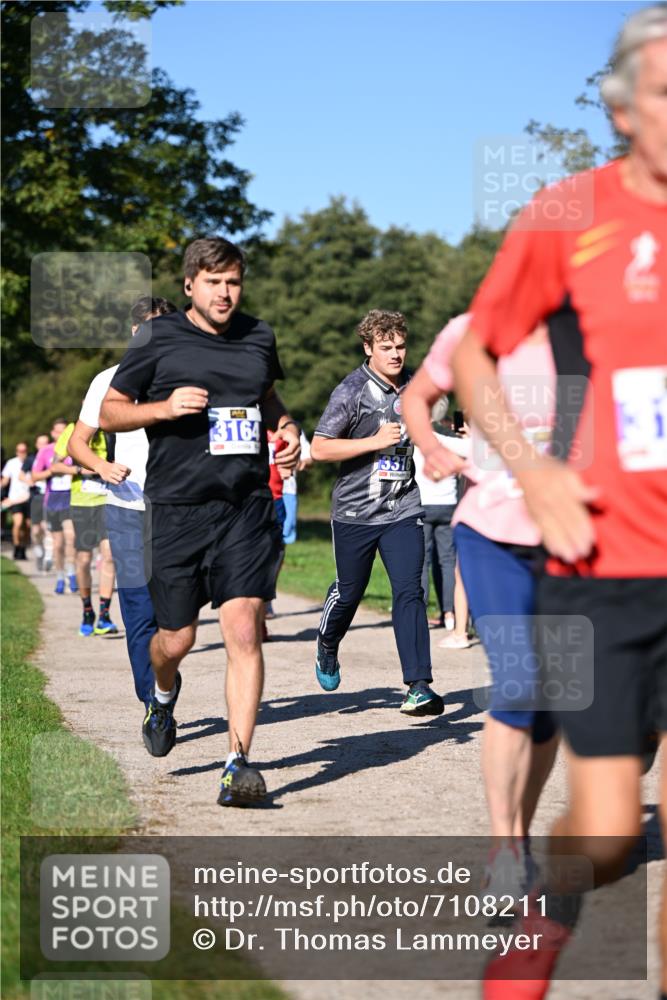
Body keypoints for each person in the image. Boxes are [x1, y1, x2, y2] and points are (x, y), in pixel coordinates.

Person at [445, 8, 667, 997]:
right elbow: (472, 350)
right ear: (622, 110)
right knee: (611, 832)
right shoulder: (566, 214)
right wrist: (530, 471)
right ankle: (544, 913)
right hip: (607, 563)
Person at [99, 236, 300, 807]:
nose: (225, 293)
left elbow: (269, 400)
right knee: (176, 639)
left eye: (233, 281)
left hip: (245, 506)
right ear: (190, 285)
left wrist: (286, 433)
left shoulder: (259, 336)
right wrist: (161, 409)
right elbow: (112, 410)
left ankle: (237, 762)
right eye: (213, 282)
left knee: (242, 629)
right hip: (178, 510)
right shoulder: (157, 337)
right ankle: (163, 695)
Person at [404, 313, 560, 901]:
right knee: (518, 681)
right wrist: (432, 451)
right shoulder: (477, 328)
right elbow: (417, 399)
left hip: (568, 537)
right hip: (491, 533)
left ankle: (520, 832)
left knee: (551, 700)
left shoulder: (598, 327)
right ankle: (505, 848)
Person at [311, 309, 443, 717]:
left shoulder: (415, 383)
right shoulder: (350, 392)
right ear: (368, 348)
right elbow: (319, 448)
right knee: (351, 592)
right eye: (386, 348)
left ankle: (418, 686)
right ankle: (328, 644)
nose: (396, 354)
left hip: (402, 507)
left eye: (400, 346)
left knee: (410, 591)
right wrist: (372, 441)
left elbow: (437, 412)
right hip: (354, 512)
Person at [67, 296, 177, 709]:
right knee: (137, 607)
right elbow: (78, 443)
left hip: (177, 509)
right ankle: (154, 699)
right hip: (127, 507)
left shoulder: (188, 379)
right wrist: (101, 465)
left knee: (176, 613)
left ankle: (165, 674)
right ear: (135, 332)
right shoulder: (108, 380)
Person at [51, 422, 118, 637]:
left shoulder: (112, 430)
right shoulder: (73, 429)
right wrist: (81, 469)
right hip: (82, 503)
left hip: (109, 500)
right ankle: (87, 610)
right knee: (84, 559)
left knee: (109, 556)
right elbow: (55, 465)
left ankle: (105, 615)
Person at [412, 398, 470, 642]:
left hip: (423, 503)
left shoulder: (417, 437)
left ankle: (421, 611)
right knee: (448, 561)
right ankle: (449, 612)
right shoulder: (451, 437)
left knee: (422, 560)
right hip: (448, 503)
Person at [31, 418, 77, 594]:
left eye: (64, 431)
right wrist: (53, 469)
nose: (60, 435)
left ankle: (71, 573)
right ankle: (59, 576)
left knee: (71, 537)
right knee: (57, 544)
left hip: (70, 499)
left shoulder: (75, 449)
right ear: (52, 433)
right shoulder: (45, 451)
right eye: (57, 431)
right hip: (52, 501)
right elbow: (34, 476)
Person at [21, 433, 50, 571]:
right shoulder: (31, 459)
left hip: (50, 496)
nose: (43, 446)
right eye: (41, 443)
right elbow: (21, 474)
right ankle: (38, 550)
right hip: (36, 496)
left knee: (46, 527)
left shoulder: (53, 457)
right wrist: (31, 482)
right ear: (37, 445)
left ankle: (46, 554)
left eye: (46, 443)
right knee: (36, 529)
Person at [281, 432, 312, 546]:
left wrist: (302, 463)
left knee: (284, 535)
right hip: (262, 489)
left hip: (287, 490)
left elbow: (309, 457)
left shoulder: (293, 429)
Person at [1, 442, 31, 559]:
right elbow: (5, 481)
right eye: (19, 451)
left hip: (29, 497)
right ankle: (17, 546)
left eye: (24, 451)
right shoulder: (11, 463)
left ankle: (23, 547)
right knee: (18, 523)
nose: (21, 453)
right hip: (15, 498)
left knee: (27, 526)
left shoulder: (31, 462)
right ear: (16, 451)